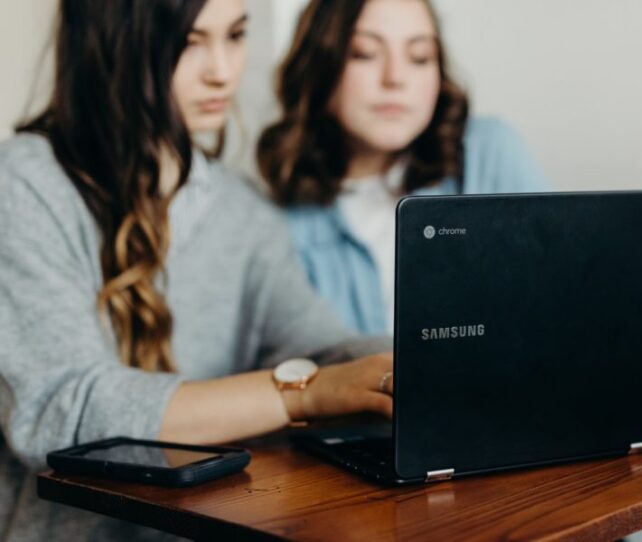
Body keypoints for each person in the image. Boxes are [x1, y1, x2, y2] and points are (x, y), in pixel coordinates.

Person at [0, 1, 393, 539]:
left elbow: (320, 344)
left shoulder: (242, 209)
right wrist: (302, 393)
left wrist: (413, 362)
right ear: (112, 44)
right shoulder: (24, 185)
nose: (223, 70)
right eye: (190, 41)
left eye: (235, 36)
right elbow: (63, 410)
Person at [257, 0, 547, 336]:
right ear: (318, 66)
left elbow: (557, 304)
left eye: (420, 57)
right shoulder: (274, 221)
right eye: (364, 53)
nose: (395, 78)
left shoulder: (489, 152)